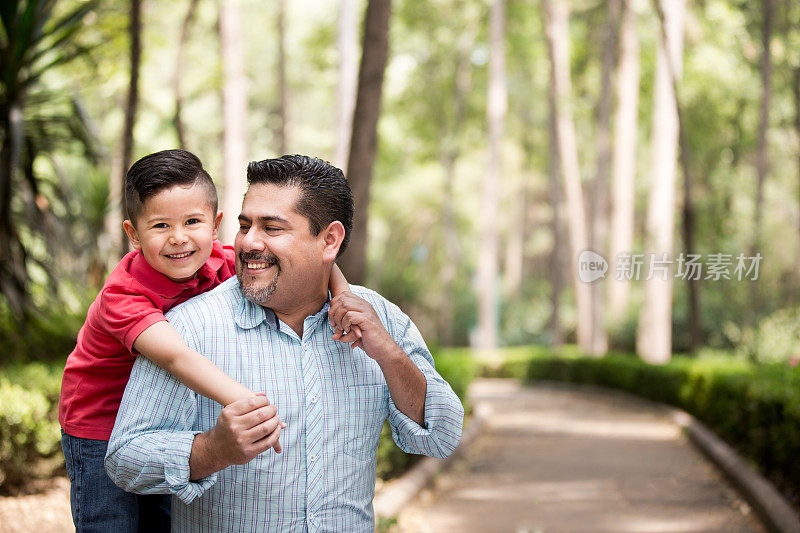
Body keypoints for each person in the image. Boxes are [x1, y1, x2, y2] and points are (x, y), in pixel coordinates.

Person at [105, 155, 465, 532]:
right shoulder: (188, 328)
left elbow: (441, 437)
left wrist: (389, 354)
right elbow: (124, 458)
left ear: (329, 240)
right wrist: (213, 450)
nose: (248, 243)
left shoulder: (381, 319)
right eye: (245, 226)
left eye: (272, 228)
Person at [59, 149, 349, 532]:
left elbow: (310, 260)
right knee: (112, 523)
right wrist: (246, 403)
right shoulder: (123, 295)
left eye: (192, 221)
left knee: (165, 514)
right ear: (133, 234)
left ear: (215, 226)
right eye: (160, 226)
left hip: (162, 421)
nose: (179, 239)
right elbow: (176, 357)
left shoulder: (224, 260)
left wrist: (344, 296)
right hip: (99, 425)